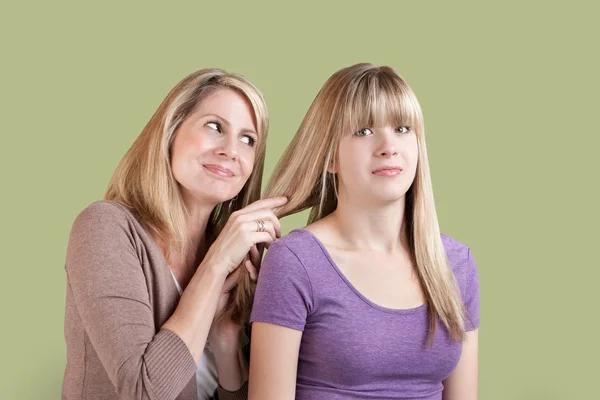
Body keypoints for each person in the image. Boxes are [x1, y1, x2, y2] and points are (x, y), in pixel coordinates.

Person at [249, 63, 480, 400]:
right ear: (329, 157)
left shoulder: (457, 265)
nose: (389, 146)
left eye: (402, 128)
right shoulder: (294, 262)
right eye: (363, 131)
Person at [62, 68, 286, 400]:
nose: (231, 149)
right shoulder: (105, 227)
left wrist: (225, 341)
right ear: (170, 132)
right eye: (214, 126)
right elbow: (143, 392)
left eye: (248, 139)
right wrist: (216, 263)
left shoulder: (236, 263)